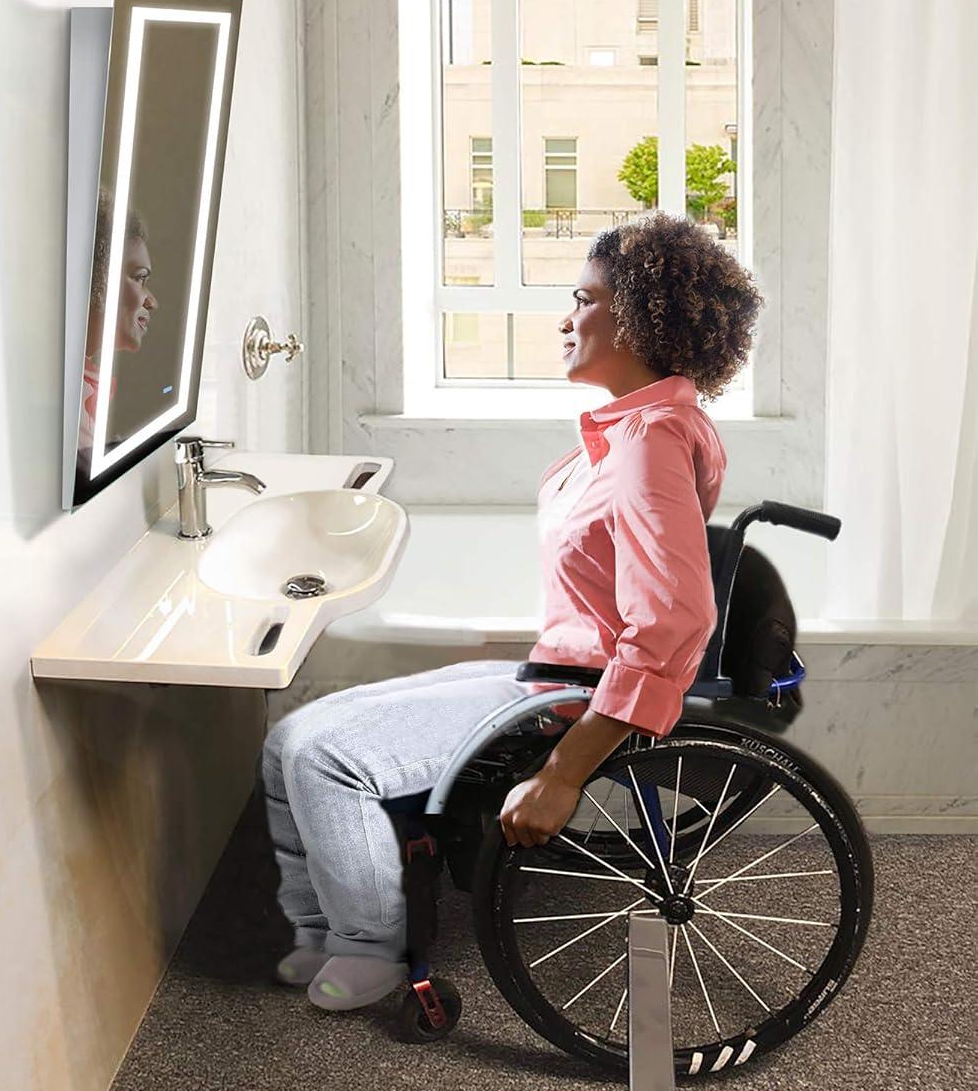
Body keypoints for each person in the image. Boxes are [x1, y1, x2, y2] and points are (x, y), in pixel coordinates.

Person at [257, 211, 764, 1011]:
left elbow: (672, 619)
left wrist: (565, 772)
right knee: (291, 734)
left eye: (583, 299)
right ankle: (319, 926)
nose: (566, 318)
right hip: (555, 671)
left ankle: (370, 947)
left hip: (576, 696)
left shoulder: (649, 440)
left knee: (328, 760)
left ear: (636, 316)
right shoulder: (633, 429)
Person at [77, 193, 159, 462]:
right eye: (140, 278)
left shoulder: (79, 383)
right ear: (96, 276)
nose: (152, 301)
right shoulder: (66, 399)